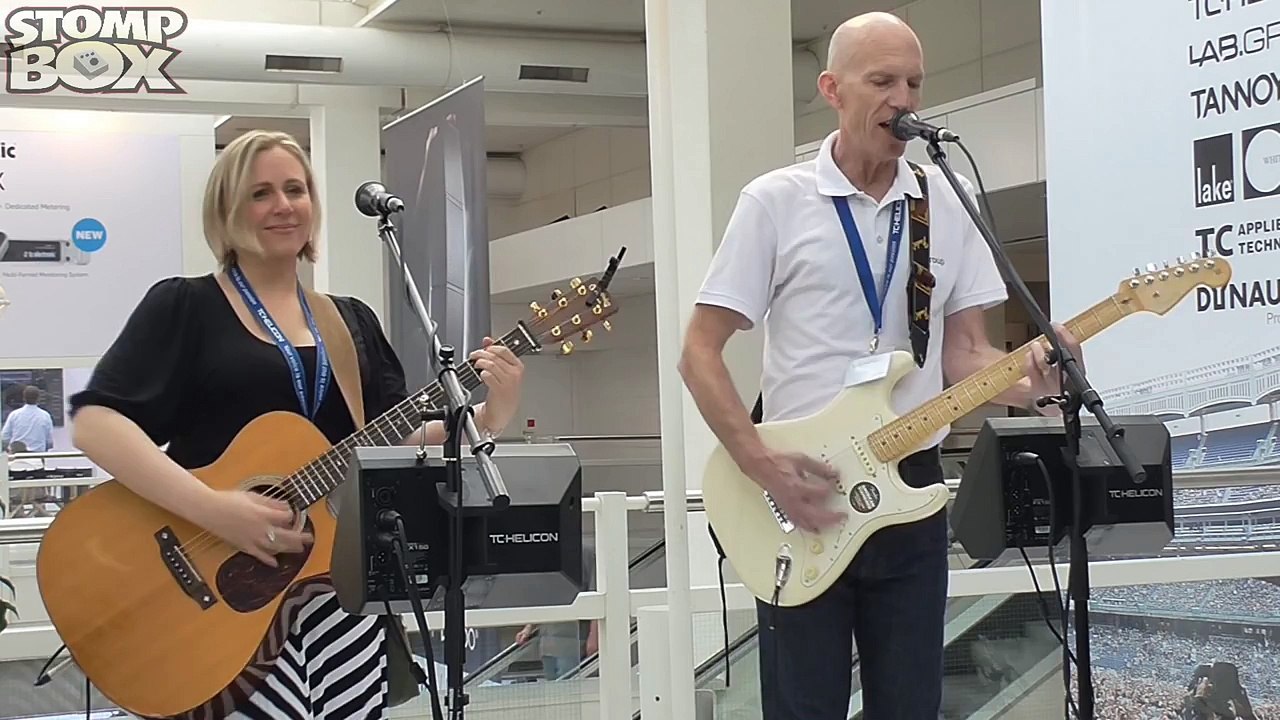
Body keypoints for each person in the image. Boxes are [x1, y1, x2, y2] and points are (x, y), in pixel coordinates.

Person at [677, 12, 1082, 720]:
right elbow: (698, 352)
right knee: (804, 707)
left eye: (914, 83)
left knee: (911, 705)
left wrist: (1036, 386)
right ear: (832, 89)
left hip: (911, 485)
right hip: (803, 487)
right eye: (883, 81)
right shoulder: (775, 202)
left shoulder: (944, 200)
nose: (903, 100)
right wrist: (761, 466)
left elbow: (966, 356)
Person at [68, 129, 525, 719]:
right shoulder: (186, 306)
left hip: (338, 598)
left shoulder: (350, 321)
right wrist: (215, 509)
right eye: (260, 193)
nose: (283, 206)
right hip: (222, 609)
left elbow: (397, 436)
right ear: (226, 211)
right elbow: (96, 423)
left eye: (295, 189)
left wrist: (490, 415)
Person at [1, 385, 54, 452]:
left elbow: (5, 437)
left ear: (24, 398)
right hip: (38, 455)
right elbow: (49, 442)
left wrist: (10, 448)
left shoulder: (14, 415)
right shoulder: (45, 416)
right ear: (38, 398)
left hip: (17, 455)